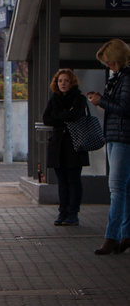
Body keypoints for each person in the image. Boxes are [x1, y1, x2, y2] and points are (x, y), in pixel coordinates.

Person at [86, 38, 130, 255]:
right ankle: (126, 234)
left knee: (117, 189)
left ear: (118, 58)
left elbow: (124, 107)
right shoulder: (119, 77)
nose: (108, 66)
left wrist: (101, 101)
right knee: (125, 189)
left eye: (110, 62)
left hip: (123, 138)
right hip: (117, 136)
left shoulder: (127, 78)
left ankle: (111, 236)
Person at [42, 68, 88, 226]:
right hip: (58, 145)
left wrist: (59, 117)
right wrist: (64, 117)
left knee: (73, 179)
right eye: (60, 81)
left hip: (74, 144)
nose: (62, 84)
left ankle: (73, 213)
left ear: (72, 82)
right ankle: (62, 211)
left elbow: (74, 116)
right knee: (62, 180)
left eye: (66, 81)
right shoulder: (54, 99)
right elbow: (46, 118)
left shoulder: (79, 99)